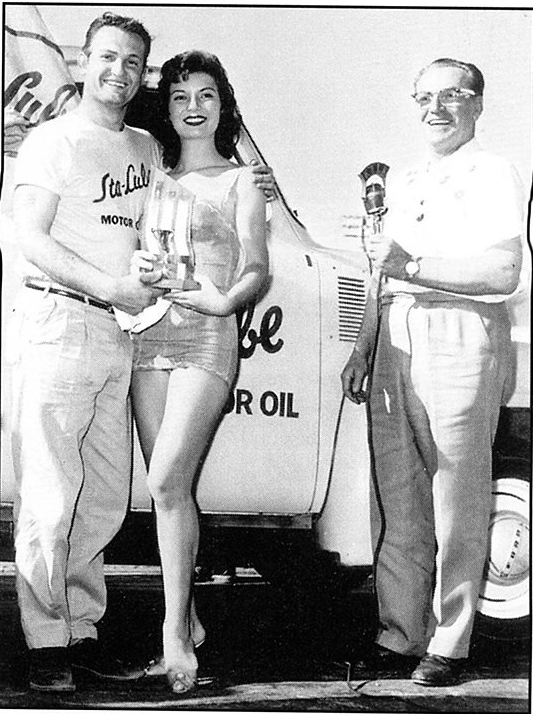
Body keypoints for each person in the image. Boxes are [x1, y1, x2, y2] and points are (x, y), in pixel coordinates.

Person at [9, 12, 274, 694]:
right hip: (65, 320)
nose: (118, 71)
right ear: (85, 63)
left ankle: (82, 631)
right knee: (51, 492)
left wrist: (249, 203)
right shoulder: (53, 140)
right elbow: (28, 237)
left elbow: (217, 238)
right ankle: (46, 643)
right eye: (107, 57)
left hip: (126, 332)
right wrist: (112, 287)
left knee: (103, 496)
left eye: (132, 62)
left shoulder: (145, 150)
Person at [341, 58, 524, 686]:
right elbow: (381, 269)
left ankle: (450, 642)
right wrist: (363, 345)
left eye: (452, 96)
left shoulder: (492, 172)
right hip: (395, 334)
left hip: (460, 328)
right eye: (424, 97)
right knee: (399, 497)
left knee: (456, 497)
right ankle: (400, 633)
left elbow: (503, 272)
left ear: (478, 104)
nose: (436, 109)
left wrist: (414, 267)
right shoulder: (407, 178)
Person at [126, 50, 268, 695]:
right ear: (166, 106)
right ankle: (189, 619)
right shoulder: (147, 176)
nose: (193, 106)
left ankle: (174, 636)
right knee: (168, 494)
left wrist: (225, 300)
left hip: (206, 336)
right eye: (180, 95)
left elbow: (257, 265)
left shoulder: (243, 181)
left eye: (206, 95)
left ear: (222, 105)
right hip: (145, 334)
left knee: (165, 479)